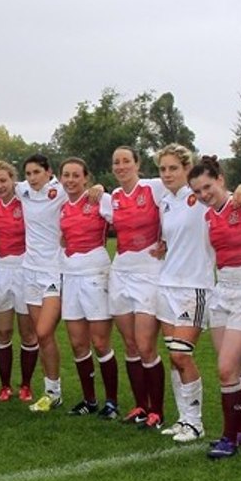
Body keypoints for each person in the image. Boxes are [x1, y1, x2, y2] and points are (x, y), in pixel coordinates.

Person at [188, 158, 241, 458]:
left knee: (226, 368)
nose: (204, 194)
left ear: (220, 179)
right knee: (234, 368)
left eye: (207, 186)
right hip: (222, 290)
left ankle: (229, 438)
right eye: (198, 191)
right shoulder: (208, 217)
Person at [154, 144, 213, 443]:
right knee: (173, 357)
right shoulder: (165, 201)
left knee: (181, 355)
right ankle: (183, 419)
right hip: (166, 285)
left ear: (187, 168)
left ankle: (196, 423)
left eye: (173, 168)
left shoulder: (201, 198)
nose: (167, 174)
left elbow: (226, 199)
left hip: (194, 287)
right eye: (163, 169)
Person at [107, 146, 168, 430]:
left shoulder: (154, 187)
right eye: (116, 162)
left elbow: (182, 201)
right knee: (130, 345)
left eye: (126, 161)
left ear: (137, 163)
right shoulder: (113, 197)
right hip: (120, 271)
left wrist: (167, 239)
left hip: (148, 272)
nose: (121, 166)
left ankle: (158, 409)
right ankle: (140, 406)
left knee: (146, 345)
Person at [57, 158, 119, 418]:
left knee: (101, 342)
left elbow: (123, 218)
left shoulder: (98, 199)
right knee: (78, 343)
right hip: (70, 277)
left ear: (86, 178)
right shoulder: (62, 206)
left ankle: (112, 402)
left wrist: (103, 189)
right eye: (66, 175)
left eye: (75, 175)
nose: (70, 180)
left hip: (95, 274)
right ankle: (89, 400)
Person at [16, 154, 65, 412]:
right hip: (30, 271)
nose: (32, 178)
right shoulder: (22, 190)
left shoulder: (61, 190)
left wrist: (98, 188)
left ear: (48, 172)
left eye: (37, 172)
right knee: (41, 337)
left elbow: (87, 194)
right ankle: (52, 392)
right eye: (28, 173)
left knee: (44, 331)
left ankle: (54, 390)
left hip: (54, 271)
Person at [0, 160, 38, 402]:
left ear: (13, 180)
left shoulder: (26, 199)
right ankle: (5, 386)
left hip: (25, 268)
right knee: (2, 331)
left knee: (28, 333)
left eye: (3, 180)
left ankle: (26, 385)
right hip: (0, 268)